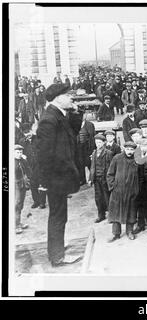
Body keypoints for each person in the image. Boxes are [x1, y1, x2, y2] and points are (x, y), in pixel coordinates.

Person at [36, 83, 83, 266]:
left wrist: (76, 112)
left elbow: (73, 133)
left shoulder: (59, 115)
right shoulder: (49, 119)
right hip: (55, 178)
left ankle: (57, 250)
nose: (72, 97)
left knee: (59, 215)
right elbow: (44, 154)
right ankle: (57, 257)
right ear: (57, 98)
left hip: (59, 177)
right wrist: (45, 181)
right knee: (58, 216)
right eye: (68, 95)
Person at [106, 141, 143, 241]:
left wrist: (137, 189)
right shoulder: (117, 158)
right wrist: (113, 186)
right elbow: (110, 174)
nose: (129, 151)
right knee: (116, 213)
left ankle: (129, 231)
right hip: (118, 192)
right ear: (124, 149)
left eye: (132, 149)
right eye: (127, 149)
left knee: (131, 212)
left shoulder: (137, 160)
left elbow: (141, 177)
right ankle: (116, 233)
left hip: (132, 191)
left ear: (134, 150)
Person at [19, 123, 47, 209]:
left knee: (42, 183)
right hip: (30, 167)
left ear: (31, 130)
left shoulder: (39, 138)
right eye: (25, 133)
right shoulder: (22, 142)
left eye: (28, 132)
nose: (27, 134)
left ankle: (42, 202)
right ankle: (36, 201)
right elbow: (21, 155)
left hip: (40, 165)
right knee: (33, 184)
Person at [88, 134, 113, 223]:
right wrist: (91, 178)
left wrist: (110, 179)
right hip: (96, 179)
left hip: (105, 179)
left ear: (104, 143)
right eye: (96, 142)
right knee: (98, 198)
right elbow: (92, 167)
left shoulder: (108, 153)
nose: (97, 144)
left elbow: (111, 167)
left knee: (107, 197)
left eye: (99, 142)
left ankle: (111, 215)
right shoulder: (94, 153)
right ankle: (101, 215)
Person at [76, 112, 96, 185]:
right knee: (80, 163)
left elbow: (93, 136)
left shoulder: (90, 124)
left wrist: (93, 148)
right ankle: (82, 179)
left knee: (89, 163)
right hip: (78, 147)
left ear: (85, 116)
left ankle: (93, 178)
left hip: (88, 147)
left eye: (82, 115)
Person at [15, 144, 30, 234]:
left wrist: (25, 160)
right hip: (15, 185)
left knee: (20, 204)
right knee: (16, 205)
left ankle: (18, 223)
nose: (19, 154)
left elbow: (28, 169)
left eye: (21, 152)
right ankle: (15, 226)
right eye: (17, 152)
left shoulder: (22, 160)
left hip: (22, 184)